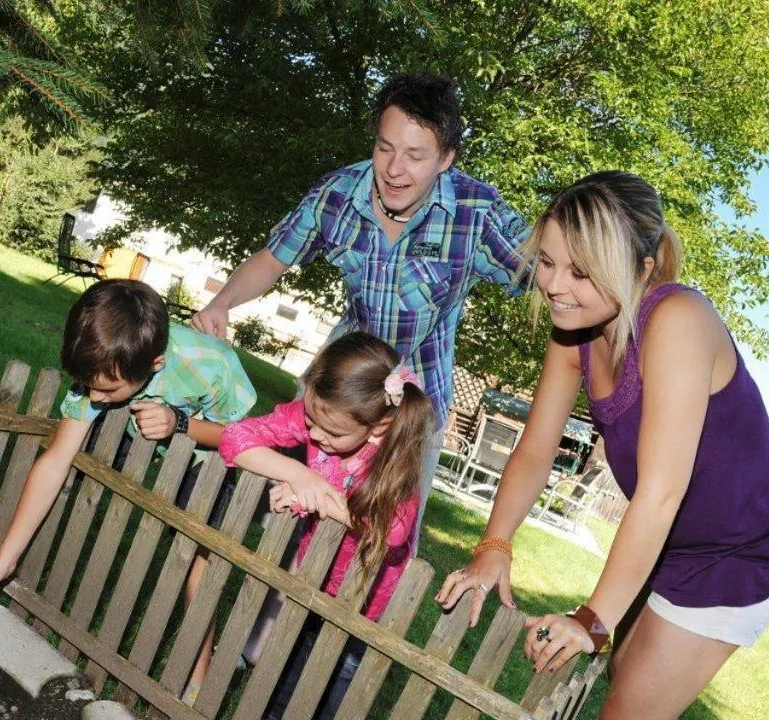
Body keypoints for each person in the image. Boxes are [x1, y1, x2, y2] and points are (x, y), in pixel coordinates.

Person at [433, 172, 769, 720]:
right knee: (623, 695)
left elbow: (661, 492)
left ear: (637, 267)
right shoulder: (574, 332)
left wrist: (591, 618)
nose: (553, 284)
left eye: (580, 270)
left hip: (744, 552)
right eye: (546, 261)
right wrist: (495, 544)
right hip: (677, 541)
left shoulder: (678, 320)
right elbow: (536, 445)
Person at [191, 71, 531, 542]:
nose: (394, 169)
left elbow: (545, 270)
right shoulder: (337, 195)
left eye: (415, 156)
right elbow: (274, 257)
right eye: (385, 147)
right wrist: (221, 303)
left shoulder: (477, 213)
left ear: (447, 160)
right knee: (283, 514)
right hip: (337, 386)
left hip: (417, 403)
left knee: (383, 536)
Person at [0, 279, 256, 718]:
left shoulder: (211, 364)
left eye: (105, 390)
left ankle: (198, 675)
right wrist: (5, 557)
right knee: (50, 471)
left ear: (155, 364)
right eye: (88, 387)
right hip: (136, 419)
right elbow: (56, 460)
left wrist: (180, 423)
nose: (94, 397)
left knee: (203, 553)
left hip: (204, 449)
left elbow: (241, 437)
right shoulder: (106, 375)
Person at [218, 332, 433, 720]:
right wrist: (297, 473)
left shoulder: (395, 462)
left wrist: (320, 496)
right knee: (295, 645)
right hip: (314, 572)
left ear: (380, 426)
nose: (314, 435)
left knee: (341, 671)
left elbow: (391, 531)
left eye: (330, 432)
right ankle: (275, 719)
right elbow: (236, 437)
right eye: (311, 422)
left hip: (367, 596)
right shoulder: (321, 417)